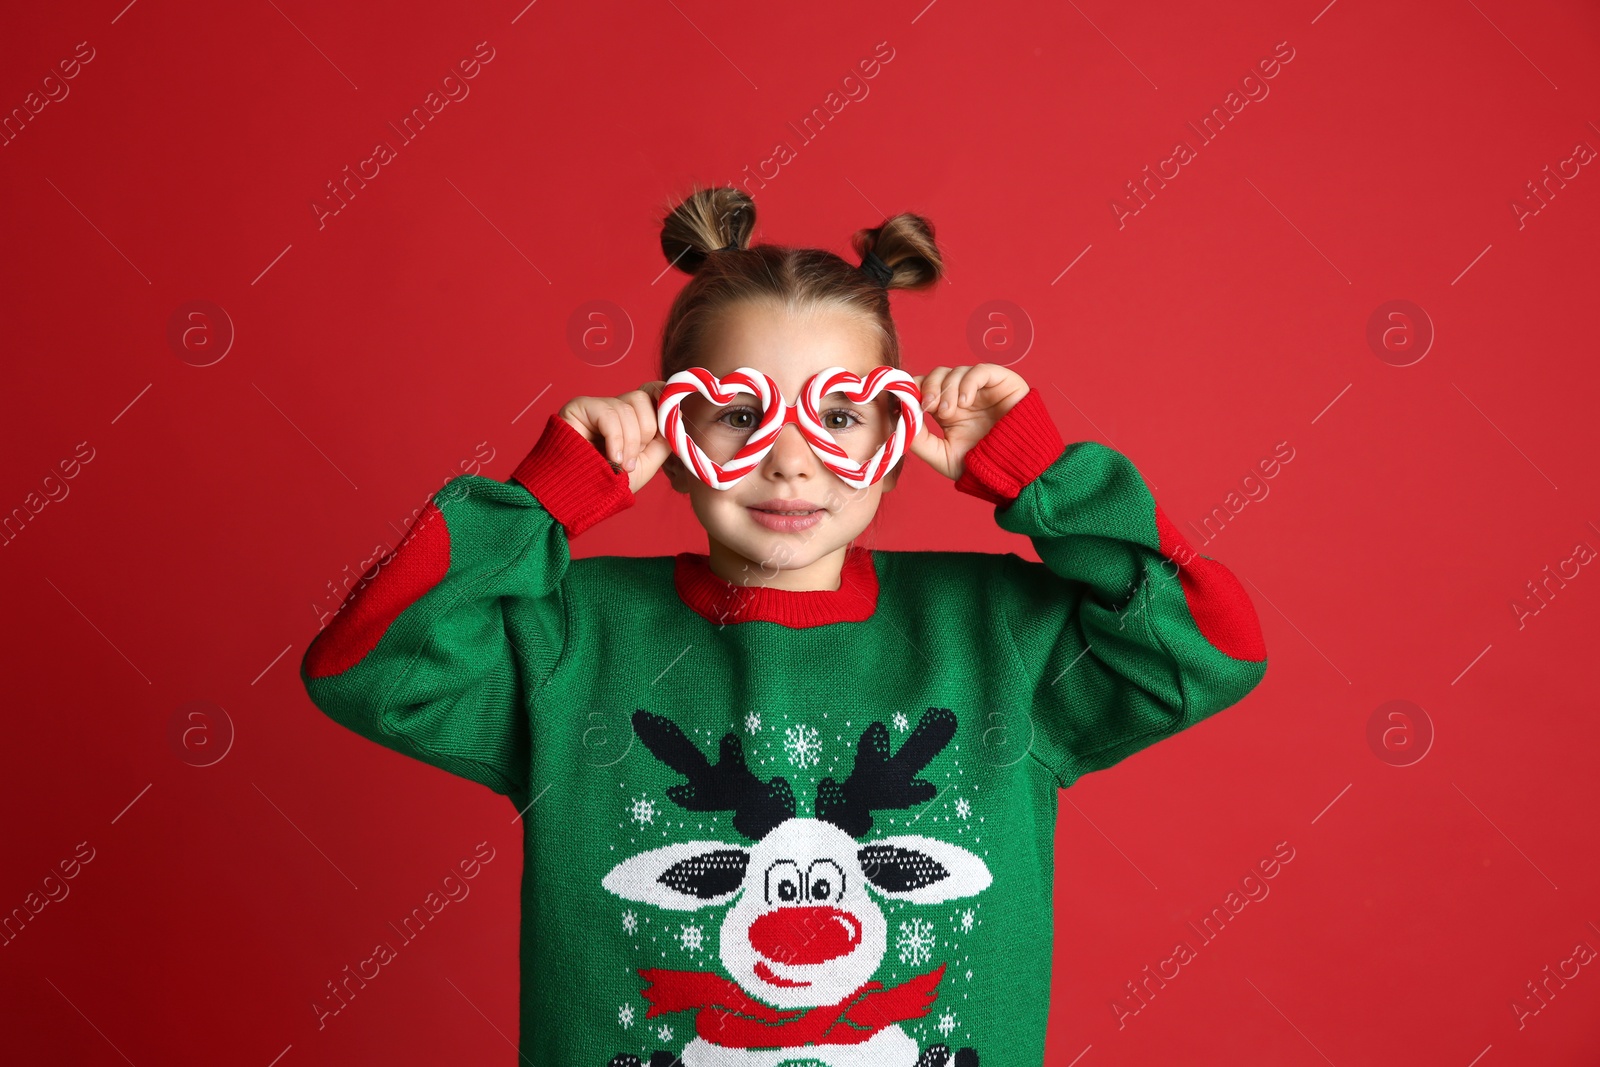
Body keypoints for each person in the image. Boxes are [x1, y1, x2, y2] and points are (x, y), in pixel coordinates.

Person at [299, 185, 1268, 1067]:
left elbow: (1205, 646)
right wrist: (543, 499)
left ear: (895, 445)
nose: (792, 462)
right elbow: (367, 661)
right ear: (671, 443)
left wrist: (1042, 479)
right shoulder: (565, 638)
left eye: (841, 416)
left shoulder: (998, 631)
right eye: (736, 414)